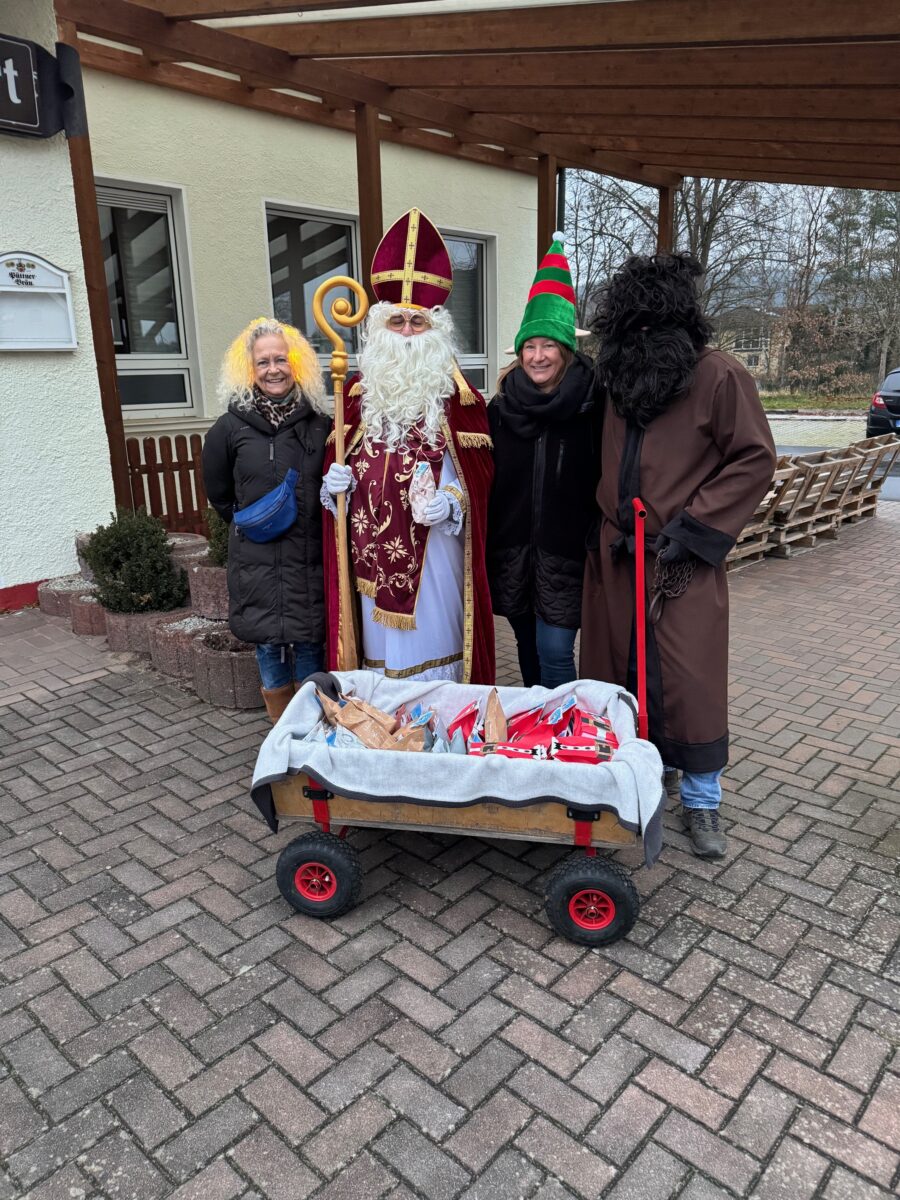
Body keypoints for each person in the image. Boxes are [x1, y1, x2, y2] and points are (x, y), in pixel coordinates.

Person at [580, 252, 777, 858]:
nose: (639, 340)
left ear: (678, 324)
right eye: (629, 329)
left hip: (680, 559)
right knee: (616, 674)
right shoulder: (615, 376)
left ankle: (702, 801)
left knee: (689, 680)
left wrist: (692, 530)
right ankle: (634, 776)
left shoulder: (717, 376)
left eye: (650, 327)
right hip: (616, 557)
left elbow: (753, 458)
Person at [322, 208, 494, 683]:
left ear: (436, 330)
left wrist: (451, 503)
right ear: (380, 327)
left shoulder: (460, 398)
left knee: (435, 658)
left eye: (417, 323)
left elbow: (478, 482)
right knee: (379, 664)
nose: (406, 333)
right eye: (397, 321)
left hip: (436, 553)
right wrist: (332, 487)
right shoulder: (356, 394)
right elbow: (341, 465)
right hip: (369, 556)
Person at [202, 317, 330, 722]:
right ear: (249, 369)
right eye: (262, 362)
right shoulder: (229, 428)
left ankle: (311, 729)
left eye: (281, 359)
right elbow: (220, 496)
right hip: (255, 561)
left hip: (307, 558)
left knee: (310, 643)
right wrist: (257, 524)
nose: (272, 369)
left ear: (297, 364)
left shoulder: (320, 425)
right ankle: (281, 730)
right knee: (269, 646)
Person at [486, 233, 600, 688]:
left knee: (555, 650)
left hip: (566, 553)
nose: (537, 357)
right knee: (527, 645)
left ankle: (563, 731)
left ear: (564, 350)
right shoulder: (499, 409)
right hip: (513, 550)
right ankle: (538, 733)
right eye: (529, 347)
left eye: (547, 346)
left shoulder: (592, 406)